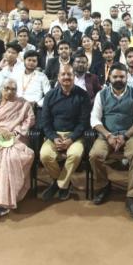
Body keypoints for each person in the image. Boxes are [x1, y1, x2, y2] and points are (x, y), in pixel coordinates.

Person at [89, 64, 133, 219]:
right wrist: (108, 135)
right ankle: (104, 185)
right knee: (95, 155)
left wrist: (125, 136)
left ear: (127, 77)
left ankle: (132, 197)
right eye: (115, 76)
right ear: (109, 77)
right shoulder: (101, 94)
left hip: (129, 135)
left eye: (122, 76)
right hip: (107, 135)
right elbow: (95, 119)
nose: (118, 79)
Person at [0, 78, 35, 218]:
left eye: (13, 89)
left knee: (12, 158)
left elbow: (29, 120)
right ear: (1, 89)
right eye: (7, 88)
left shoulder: (23, 104)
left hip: (16, 136)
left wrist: (15, 132)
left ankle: (6, 198)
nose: (10, 92)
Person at [38, 64, 92, 202]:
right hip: (54, 135)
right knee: (45, 155)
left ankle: (58, 185)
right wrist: (54, 137)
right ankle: (64, 183)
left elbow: (84, 122)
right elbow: (45, 121)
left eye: (69, 74)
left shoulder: (83, 95)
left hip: (75, 136)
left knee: (75, 154)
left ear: (74, 76)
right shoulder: (50, 95)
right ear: (58, 77)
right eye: (63, 74)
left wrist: (71, 138)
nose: (66, 77)